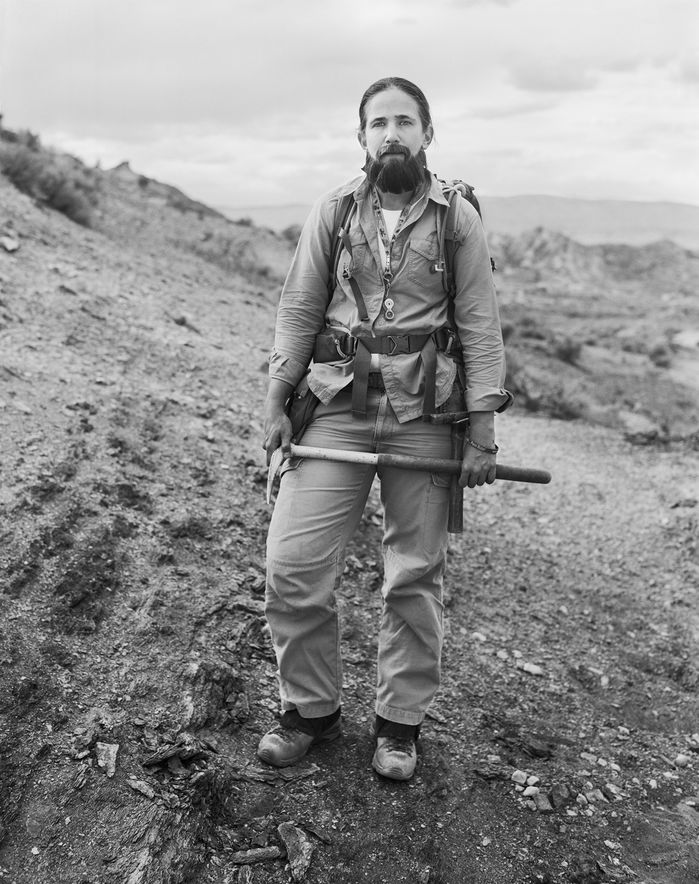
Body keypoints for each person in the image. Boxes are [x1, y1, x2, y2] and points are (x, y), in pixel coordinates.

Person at [258, 76, 512, 781]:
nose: (391, 133)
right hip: (335, 408)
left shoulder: (456, 217)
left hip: (425, 417)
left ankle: (399, 726)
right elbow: (298, 307)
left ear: (427, 132)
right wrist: (276, 401)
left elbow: (480, 325)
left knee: (413, 576)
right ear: (361, 136)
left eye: (404, 121)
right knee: (293, 567)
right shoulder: (333, 209)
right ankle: (308, 710)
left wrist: (483, 432)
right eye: (378, 123)